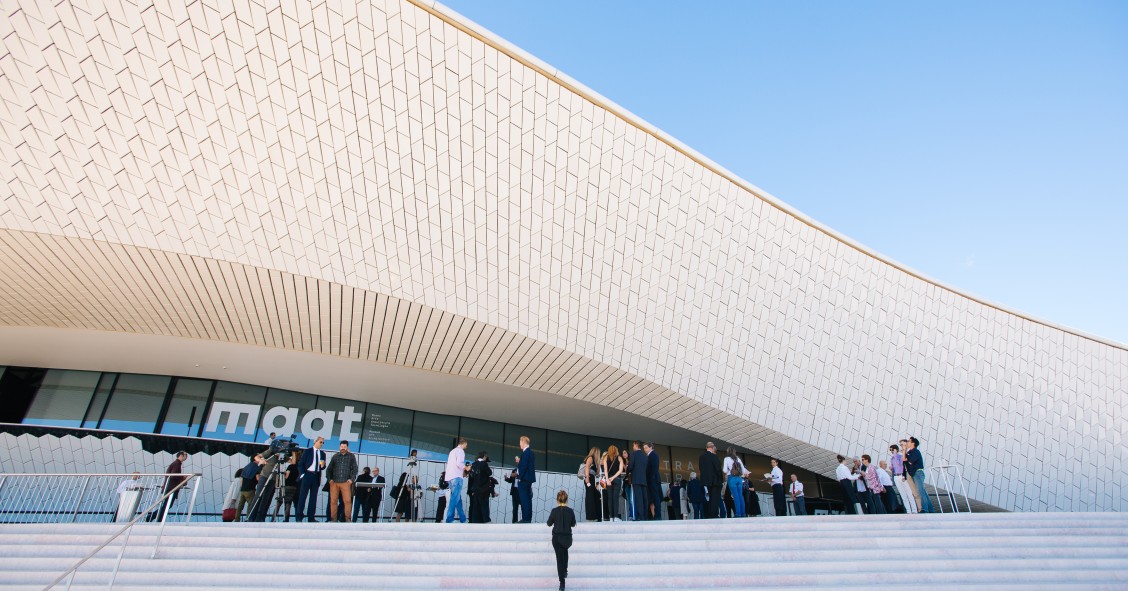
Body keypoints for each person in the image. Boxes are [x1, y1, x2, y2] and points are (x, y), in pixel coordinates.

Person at [546, 489, 577, 591]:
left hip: (557, 538)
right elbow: (573, 524)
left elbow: (549, 523)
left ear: (557, 500)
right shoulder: (570, 511)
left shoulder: (554, 511)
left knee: (559, 559)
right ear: (566, 500)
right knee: (565, 551)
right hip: (567, 538)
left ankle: (562, 583)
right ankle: (565, 570)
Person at [325, 441, 358, 522]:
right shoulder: (335, 456)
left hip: (346, 482)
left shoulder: (351, 456)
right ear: (339, 447)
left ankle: (348, 519)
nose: (343, 448)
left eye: (344, 446)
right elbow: (329, 469)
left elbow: (355, 469)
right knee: (333, 501)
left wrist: (351, 479)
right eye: (341, 446)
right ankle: (333, 519)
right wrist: (329, 480)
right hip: (334, 482)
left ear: (347, 447)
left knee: (347, 501)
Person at [296, 436, 326, 523]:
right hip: (307, 474)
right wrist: (303, 474)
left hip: (316, 476)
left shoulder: (322, 454)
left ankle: (311, 517)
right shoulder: (308, 451)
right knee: (303, 496)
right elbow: (301, 464)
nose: (321, 444)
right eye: (320, 442)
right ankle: (299, 516)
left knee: (313, 498)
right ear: (315, 441)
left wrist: (323, 466)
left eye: (323, 442)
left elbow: (322, 466)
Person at [905, 436, 935, 513]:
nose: (907, 442)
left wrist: (906, 455)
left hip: (918, 473)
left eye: (908, 441)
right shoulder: (909, 452)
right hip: (914, 474)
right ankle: (931, 510)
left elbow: (910, 461)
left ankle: (924, 509)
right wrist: (904, 451)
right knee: (922, 491)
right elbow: (904, 459)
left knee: (920, 491)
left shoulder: (916, 452)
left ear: (913, 443)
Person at [444, 437, 469, 523]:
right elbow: (459, 463)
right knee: (455, 497)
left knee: (458, 498)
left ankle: (463, 518)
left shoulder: (452, 451)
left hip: (450, 477)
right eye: (466, 444)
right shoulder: (460, 451)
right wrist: (466, 468)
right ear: (464, 443)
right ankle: (449, 518)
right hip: (457, 476)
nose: (466, 446)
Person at [273, 451, 300, 521]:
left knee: (279, 502)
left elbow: (286, 476)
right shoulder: (299, 467)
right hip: (294, 487)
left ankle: (273, 518)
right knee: (288, 503)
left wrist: (282, 475)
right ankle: (286, 519)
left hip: (287, 486)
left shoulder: (290, 466)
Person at [698, 442, 723, 519]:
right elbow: (718, 469)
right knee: (715, 498)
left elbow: (701, 468)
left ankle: (709, 514)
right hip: (715, 481)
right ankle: (714, 514)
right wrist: (721, 479)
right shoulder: (714, 456)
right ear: (712, 448)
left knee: (710, 498)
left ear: (706, 447)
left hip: (707, 481)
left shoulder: (701, 457)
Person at [469, 451, 494, 523]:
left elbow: (472, 475)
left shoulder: (474, 464)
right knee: (484, 505)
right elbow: (489, 473)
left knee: (476, 506)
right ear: (484, 456)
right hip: (483, 488)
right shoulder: (484, 464)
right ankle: (486, 520)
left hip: (475, 488)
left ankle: (475, 521)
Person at [516, 435, 536, 523]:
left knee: (524, 500)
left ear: (524, 442)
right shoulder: (530, 452)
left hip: (524, 479)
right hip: (528, 479)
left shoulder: (525, 453)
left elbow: (524, 466)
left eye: (520, 442)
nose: (519, 444)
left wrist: (520, 477)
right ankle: (527, 518)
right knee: (528, 499)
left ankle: (525, 519)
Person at [889, 444, 913, 514]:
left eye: (892, 450)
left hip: (902, 475)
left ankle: (914, 510)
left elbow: (900, 464)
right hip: (896, 476)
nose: (891, 451)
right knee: (903, 495)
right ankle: (908, 511)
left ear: (896, 450)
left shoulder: (900, 456)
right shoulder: (892, 458)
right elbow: (894, 469)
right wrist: (892, 469)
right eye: (890, 450)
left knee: (909, 494)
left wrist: (895, 455)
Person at [236, 455, 261, 522]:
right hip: (250, 490)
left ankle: (236, 519)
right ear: (255, 459)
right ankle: (248, 519)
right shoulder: (256, 468)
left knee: (240, 506)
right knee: (250, 505)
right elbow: (258, 478)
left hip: (243, 490)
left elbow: (242, 479)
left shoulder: (246, 467)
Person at [722, 447, 746, 518]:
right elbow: (743, 470)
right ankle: (743, 513)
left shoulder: (726, 459)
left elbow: (724, 470)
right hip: (739, 478)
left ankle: (738, 513)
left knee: (735, 496)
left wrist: (729, 471)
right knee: (740, 495)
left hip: (731, 478)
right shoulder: (738, 458)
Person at [628, 440, 648, 521]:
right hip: (644, 479)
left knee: (638, 498)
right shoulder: (645, 456)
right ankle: (645, 516)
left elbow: (631, 465)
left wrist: (627, 470)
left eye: (633, 445)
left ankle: (640, 516)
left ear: (636, 445)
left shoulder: (633, 454)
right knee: (644, 498)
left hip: (636, 479)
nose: (633, 447)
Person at [581, 446, 603, 521]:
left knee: (596, 495)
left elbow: (597, 473)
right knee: (590, 497)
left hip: (592, 478)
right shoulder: (590, 458)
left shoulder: (595, 461)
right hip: (589, 478)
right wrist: (587, 478)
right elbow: (587, 467)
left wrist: (598, 464)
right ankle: (591, 517)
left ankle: (596, 516)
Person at [603, 445, 623, 521]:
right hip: (617, 479)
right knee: (615, 498)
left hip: (609, 480)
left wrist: (608, 479)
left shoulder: (605, 458)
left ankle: (611, 517)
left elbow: (605, 470)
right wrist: (613, 478)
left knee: (610, 498)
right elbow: (620, 470)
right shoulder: (619, 458)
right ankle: (616, 517)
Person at [644, 442, 661, 520]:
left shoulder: (653, 455)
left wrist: (652, 478)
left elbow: (654, 468)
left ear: (651, 447)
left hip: (653, 480)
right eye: (644, 448)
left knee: (655, 497)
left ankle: (658, 515)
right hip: (651, 480)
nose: (645, 449)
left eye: (646, 448)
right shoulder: (650, 455)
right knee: (653, 498)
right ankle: (655, 515)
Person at [620, 449, 633, 521]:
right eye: (623, 453)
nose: (623, 454)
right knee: (629, 499)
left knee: (631, 499)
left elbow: (628, 471)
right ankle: (631, 514)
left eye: (625, 453)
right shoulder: (624, 462)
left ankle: (632, 515)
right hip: (626, 482)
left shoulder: (630, 461)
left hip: (630, 482)